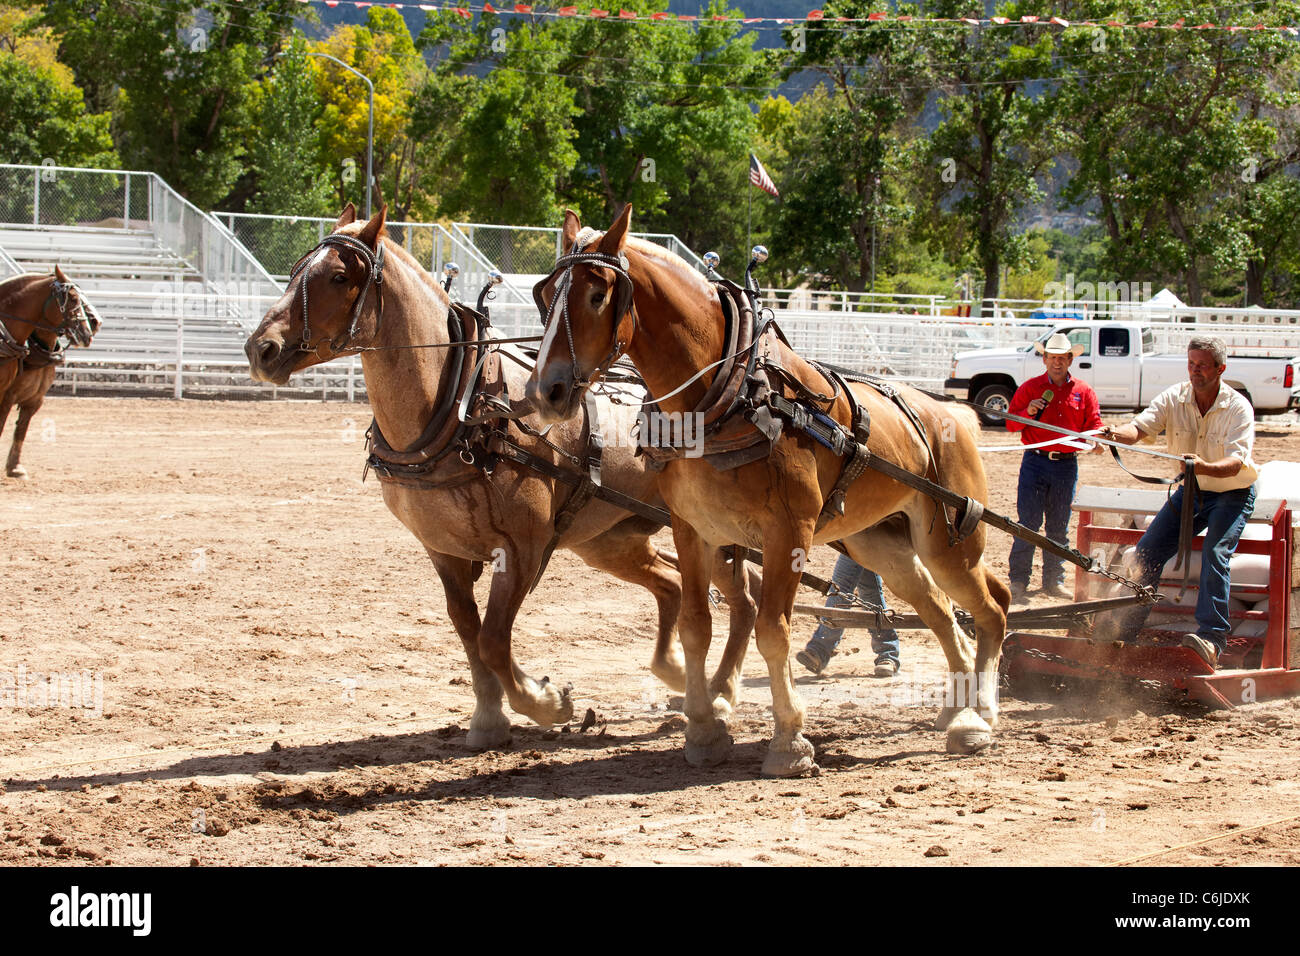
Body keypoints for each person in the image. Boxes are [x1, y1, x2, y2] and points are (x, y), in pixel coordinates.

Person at [1099, 336, 1259, 668]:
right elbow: (1140, 428)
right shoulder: (1175, 397)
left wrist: (1201, 466)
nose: (1195, 371)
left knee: (1216, 553)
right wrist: (1114, 433)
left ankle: (1212, 638)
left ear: (1220, 369)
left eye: (1202, 365)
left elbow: (1236, 463)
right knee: (1147, 551)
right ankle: (1126, 629)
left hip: (1232, 493)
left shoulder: (1238, 407)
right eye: (1191, 363)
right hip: (1193, 489)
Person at [1005, 331, 1105, 604]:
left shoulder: (1083, 391)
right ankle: (1018, 581)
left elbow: (1093, 425)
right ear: (1044, 359)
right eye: (1052, 357)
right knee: (1027, 524)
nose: (1057, 363)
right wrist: (1029, 413)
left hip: (1065, 465)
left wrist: (1095, 440)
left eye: (1062, 358)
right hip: (1035, 462)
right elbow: (1011, 424)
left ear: (1070, 359)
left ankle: (1054, 581)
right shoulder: (1029, 389)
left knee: (1059, 527)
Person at [796, 553, 901, 677]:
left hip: (860, 536)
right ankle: (887, 651)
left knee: (842, 583)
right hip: (858, 537)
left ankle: (820, 650)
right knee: (869, 589)